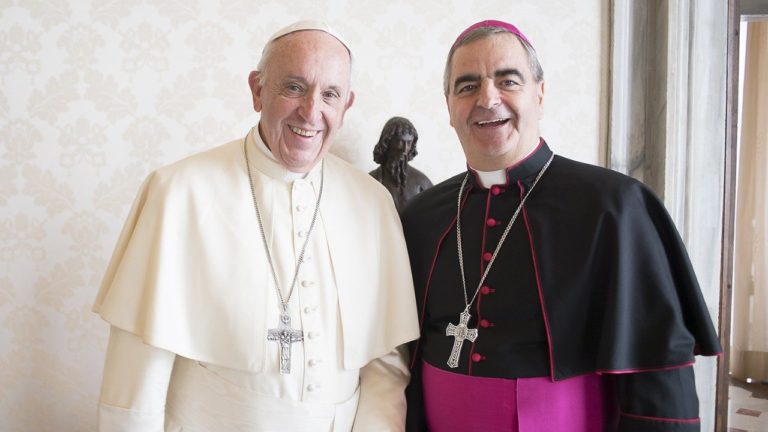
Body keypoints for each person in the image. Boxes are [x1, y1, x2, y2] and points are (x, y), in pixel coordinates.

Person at [93, 20, 419, 432]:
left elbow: (384, 368)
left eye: (330, 94)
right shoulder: (178, 191)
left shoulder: (372, 203)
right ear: (257, 90)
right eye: (294, 87)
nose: (311, 112)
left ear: (346, 106)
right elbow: (135, 372)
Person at [401, 20, 722, 431]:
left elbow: (656, 367)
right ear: (449, 107)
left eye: (507, 81)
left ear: (539, 93)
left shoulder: (614, 206)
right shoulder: (422, 216)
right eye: (467, 86)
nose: (488, 98)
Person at [369, 117, 433, 213]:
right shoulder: (371, 180)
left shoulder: (422, 182)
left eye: (409, 143)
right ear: (387, 142)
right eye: (400, 142)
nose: (404, 149)